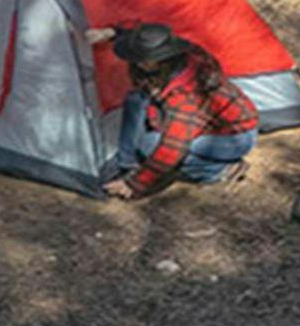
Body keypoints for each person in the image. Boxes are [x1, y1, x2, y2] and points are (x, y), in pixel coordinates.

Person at [89, 23, 260, 199]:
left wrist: (136, 183)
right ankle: (127, 164)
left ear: (164, 59)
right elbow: (150, 40)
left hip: (233, 136)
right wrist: (114, 33)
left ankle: (219, 169)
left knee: (149, 145)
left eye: (144, 59)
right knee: (136, 99)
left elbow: (173, 147)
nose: (138, 63)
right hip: (207, 121)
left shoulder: (186, 94)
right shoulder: (181, 52)